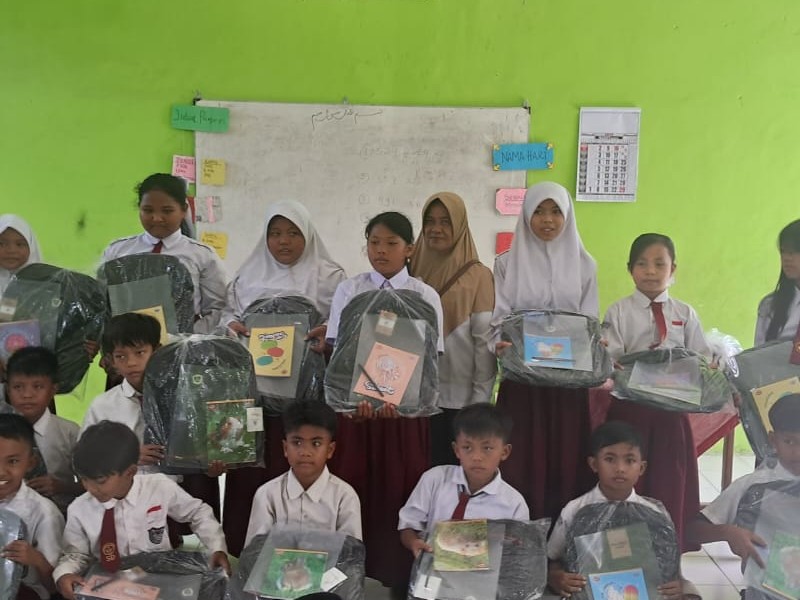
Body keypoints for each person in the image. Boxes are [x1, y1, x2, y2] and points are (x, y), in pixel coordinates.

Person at [325, 212, 444, 592]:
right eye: (374, 242)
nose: (381, 250)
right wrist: (354, 400)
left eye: (391, 243)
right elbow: (338, 354)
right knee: (355, 491)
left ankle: (398, 578)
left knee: (400, 491)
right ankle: (348, 578)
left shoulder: (425, 296)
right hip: (357, 416)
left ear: (409, 248)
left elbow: (431, 360)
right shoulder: (350, 290)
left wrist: (404, 399)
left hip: (404, 417)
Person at [221, 200, 346, 555]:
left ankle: (304, 547)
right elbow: (226, 316)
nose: (284, 241)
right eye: (275, 233)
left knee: (301, 457)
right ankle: (249, 550)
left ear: (308, 235)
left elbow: (343, 324)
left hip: (306, 400)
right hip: (256, 397)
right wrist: (231, 327)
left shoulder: (330, 277)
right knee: (252, 465)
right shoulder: (247, 276)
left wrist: (328, 332)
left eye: (293, 233)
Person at [490, 182, 597, 522]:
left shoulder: (585, 265)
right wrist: (499, 343)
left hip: (568, 384)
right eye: (538, 211)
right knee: (523, 456)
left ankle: (563, 535)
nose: (547, 220)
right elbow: (498, 319)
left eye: (555, 211)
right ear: (525, 215)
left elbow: (589, 321)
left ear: (567, 216)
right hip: (523, 383)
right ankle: (521, 531)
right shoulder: (506, 264)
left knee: (566, 455)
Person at [603, 233, 710, 548]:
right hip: (630, 414)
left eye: (659, 264)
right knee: (627, 480)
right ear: (630, 269)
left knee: (669, 481)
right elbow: (612, 360)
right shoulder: (618, 311)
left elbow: (701, 359)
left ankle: (669, 551)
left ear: (672, 269)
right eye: (642, 264)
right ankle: (627, 553)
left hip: (670, 415)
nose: (650, 271)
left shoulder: (685, 313)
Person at [53, 421, 230, 600]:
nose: (91, 488)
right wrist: (64, 573)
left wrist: (216, 547)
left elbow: (197, 512)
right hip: (111, 586)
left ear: (130, 472)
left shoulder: (158, 487)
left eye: (100, 481)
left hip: (160, 578)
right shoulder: (79, 509)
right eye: (84, 480)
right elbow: (75, 553)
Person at [546, 421, 682, 599]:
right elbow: (553, 557)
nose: (620, 468)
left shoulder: (655, 514)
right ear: (594, 464)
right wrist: (555, 576)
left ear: (641, 468)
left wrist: (675, 584)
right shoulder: (575, 510)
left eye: (629, 460)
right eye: (610, 459)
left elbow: (669, 565)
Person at [409, 192, 496, 466]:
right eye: (430, 221)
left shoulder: (479, 276)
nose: (436, 229)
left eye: (445, 222)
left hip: (459, 402)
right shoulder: (409, 270)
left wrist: (479, 404)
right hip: (412, 400)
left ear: (459, 225)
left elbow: (484, 345)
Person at [100, 173, 227, 334]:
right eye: (148, 210)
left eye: (167, 211)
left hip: (183, 342)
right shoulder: (118, 251)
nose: (157, 218)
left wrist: (188, 337)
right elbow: (101, 303)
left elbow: (217, 309)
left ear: (183, 210)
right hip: (127, 343)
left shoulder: (202, 255)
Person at [687, 394, 800, 574]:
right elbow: (692, 530)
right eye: (789, 441)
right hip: (761, 587)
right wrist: (728, 532)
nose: (797, 452)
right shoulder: (752, 486)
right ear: (773, 440)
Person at [398, 402, 528, 558]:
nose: (476, 457)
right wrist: (413, 542)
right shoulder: (434, 479)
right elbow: (408, 525)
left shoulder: (514, 504)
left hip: (485, 573)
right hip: (430, 568)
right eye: (467, 447)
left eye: (487, 448)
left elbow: (517, 554)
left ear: (504, 452)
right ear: (456, 450)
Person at [243, 400, 361, 547]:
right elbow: (255, 553)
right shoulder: (267, 495)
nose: (305, 452)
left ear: (330, 450)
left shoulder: (345, 497)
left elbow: (351, 555)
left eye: (316, 443)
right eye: (297, 443)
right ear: (285, 448)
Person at [5, 347, 81, 511]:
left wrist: (63, 487)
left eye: (38, 386)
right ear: (8, 390)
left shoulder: (70, 432)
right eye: (18, 387)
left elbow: (93, 483)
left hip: (62, 513)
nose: (27, 395)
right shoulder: (2, 433)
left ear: (53, 389)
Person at [0, 414, 64, 599]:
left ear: (30, 463)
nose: (1, 472)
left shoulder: (44, 513)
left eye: (13, 461)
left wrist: (36, 559)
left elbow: (54, 587)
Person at [755, 219, 800, 345]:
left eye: (793, 252)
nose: (786, 258)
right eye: (783, 252)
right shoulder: (769, 305)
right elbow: (759, 352)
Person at [0, 214, 42, 298]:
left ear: (31, 247)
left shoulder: (47, 284)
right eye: (1, 244)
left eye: (19, 244)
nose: (11, 250)